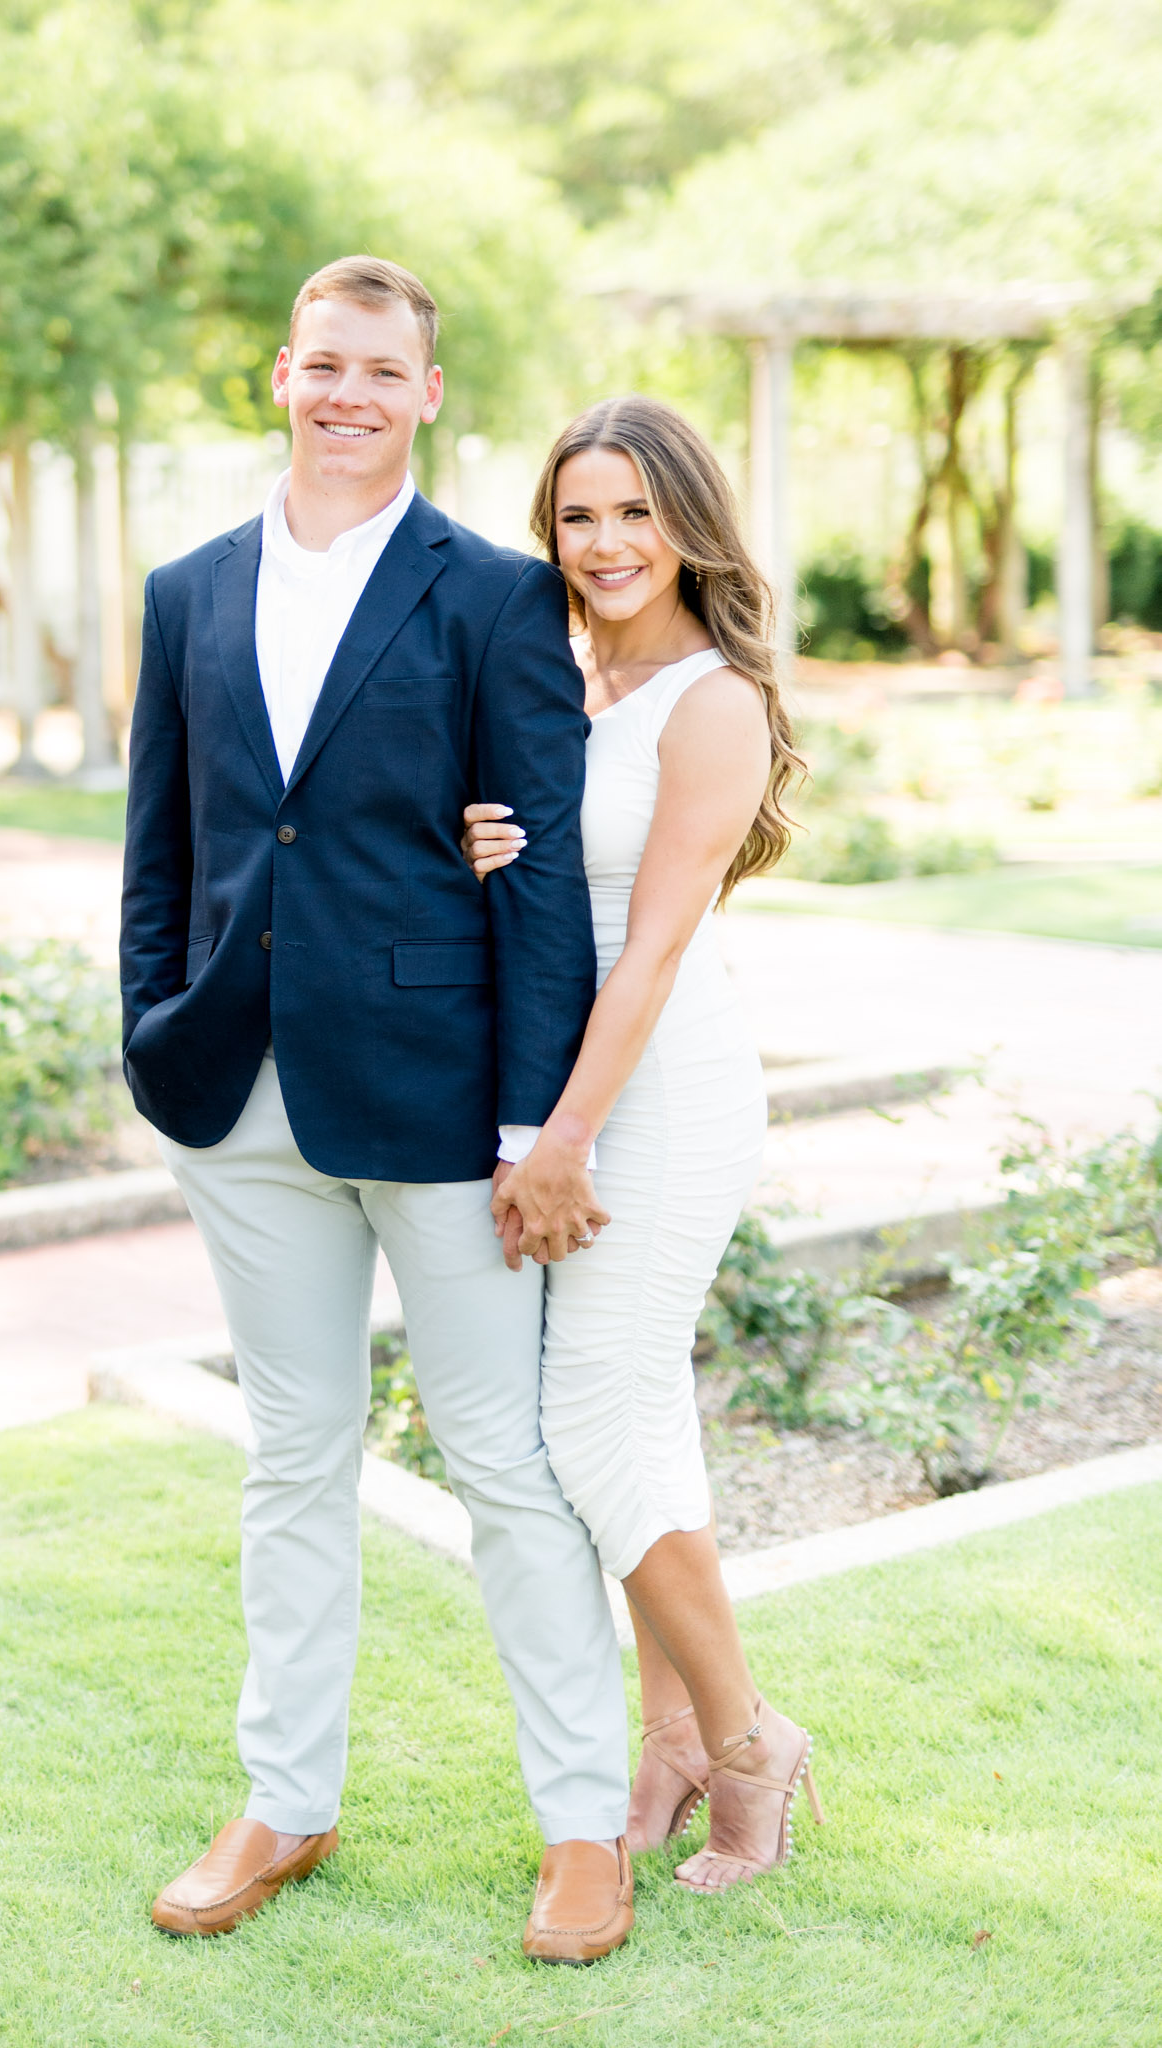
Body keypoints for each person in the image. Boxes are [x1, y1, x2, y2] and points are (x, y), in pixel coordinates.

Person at [120, 258, 635, 1963]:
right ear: (283, 373)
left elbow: (541, 873)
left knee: (504, 1464)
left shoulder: (492, 595)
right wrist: (156, 1030)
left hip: (440, 1103)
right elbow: (169, 845)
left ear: (426, 395)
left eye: (381, 369)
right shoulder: (187, 588)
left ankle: (580, 1829)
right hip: (236, 1101)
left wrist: (524, 1125)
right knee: (292, 1456)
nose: (347, 390)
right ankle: (286, 1797)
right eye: (322, 362)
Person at [462, 396, 825, 1894]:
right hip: (575, 1082)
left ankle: (748, 1746)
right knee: (636, 1424)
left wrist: (566, 1137)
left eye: (634, 512)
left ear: (688, 521)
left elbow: (656, 945)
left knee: (591, 1428)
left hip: (651, 1097)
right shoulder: (564, 671)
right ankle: (669, 1741)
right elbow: (553, 883)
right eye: (577, 515)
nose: (605, 544)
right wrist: (483, 845)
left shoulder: (713, 698)